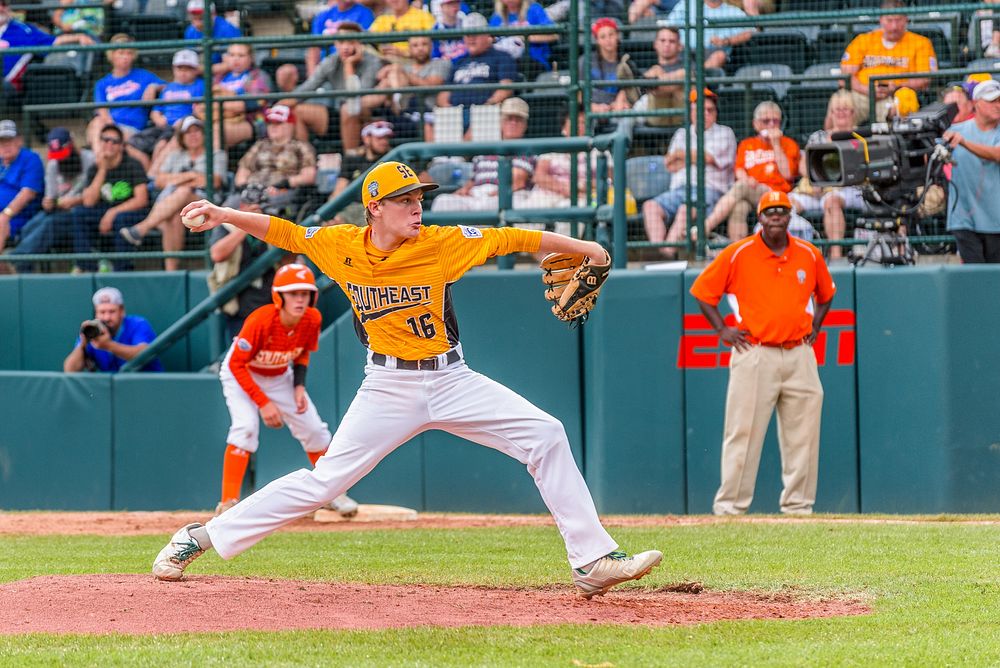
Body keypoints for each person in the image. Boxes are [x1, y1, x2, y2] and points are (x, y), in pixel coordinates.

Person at [153, 160, 663, 598]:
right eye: (403, 200)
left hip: (451, 379)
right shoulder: (341, 245)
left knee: (546, 434)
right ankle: (202, 536)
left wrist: (588, 249)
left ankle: (592, 562)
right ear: (374, 207)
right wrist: (222, 214)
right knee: (325, 481)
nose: (417, 206)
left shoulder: (442, 244)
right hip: (387, 388)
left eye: (419, 197)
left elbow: (516, 237)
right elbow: (284, 232)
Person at [691, 190, 835, 516]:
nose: (776, 216)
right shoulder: (739, 252)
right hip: (755, 352)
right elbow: (702, 291)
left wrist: (816, 326)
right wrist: (721, 330)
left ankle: (799, 507)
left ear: (789, 216)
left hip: (799, 352)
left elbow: (826, 294)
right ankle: (730, 509)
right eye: (770, 211)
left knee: (804, 436)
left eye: (781, 211)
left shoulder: (809, 254)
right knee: (742, 433)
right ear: (760, 216)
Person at [213, 262, 359, 518]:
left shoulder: (312, 318)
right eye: (293, 293)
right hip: (242, 373)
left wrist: (299, 386)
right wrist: (263, 403)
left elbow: (302, 354)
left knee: (314, 429)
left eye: (304, 293)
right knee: (245, 428)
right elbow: (236, 364)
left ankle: (332, 493)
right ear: (279, 295)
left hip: (280, 375)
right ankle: (227, 502)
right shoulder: (260, 320)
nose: (300, 299)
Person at [119, 116, 226, 270]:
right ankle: (172, 271)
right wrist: (190, 176)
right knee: (175, 216)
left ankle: (142, 228)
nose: (193, 135)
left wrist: (177, 180)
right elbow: (158, 180)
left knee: (183, 191)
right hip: (173, 207)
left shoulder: (216, 154)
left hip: (207, 203)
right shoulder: (176, 155)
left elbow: (214, 181)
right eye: (188, 132)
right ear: (182, 137)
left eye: (196, 131)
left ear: (203, 134)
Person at [642, 89, 736, 258]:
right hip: (679, 189)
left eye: (710, 110)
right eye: (701, 110)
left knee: (685, 210)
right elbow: (670, 164)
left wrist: (682, 155)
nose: (706, 114)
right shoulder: (682, 133)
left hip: (709, 190)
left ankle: (666, 255)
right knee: (650, 207)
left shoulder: (725, 132)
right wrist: (694, 157)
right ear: (692, 113)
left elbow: (707, 158)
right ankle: (661, 250)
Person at [701, 101, 800, 242]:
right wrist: (746, 179)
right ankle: (738, 249)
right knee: (738, 207)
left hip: (776, 195)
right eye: (766, 121)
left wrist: (776, 144)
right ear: (756, 124)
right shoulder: (746, 144)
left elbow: (788, 174)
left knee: (741, 187)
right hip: (750, 191)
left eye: (775, 121)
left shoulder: (788, 144)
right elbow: (739, 170)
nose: (771, 125)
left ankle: (705, 227)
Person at [281, 21, 383, 151]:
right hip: (338, 112)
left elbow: (355, 98)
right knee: (298, 111)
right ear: (336, 44)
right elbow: (306, 89)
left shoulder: (372, 61)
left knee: (348, 109)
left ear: (360, 44)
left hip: (366, 114)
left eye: (350, 42)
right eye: (341, 43)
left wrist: (349, 65)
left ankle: (350, 163)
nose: (345, 47)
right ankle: (307, 161)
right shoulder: (331, 61)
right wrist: (280, 104)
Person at [789, 90, 867, 260]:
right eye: (836, 109)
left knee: (831, 200)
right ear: (830, 113)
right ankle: (791, 255)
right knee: (786, 205)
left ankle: (836, 255)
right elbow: (803, 165)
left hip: (848, 189)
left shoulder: (860, 137)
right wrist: (814, 180)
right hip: (815, 190)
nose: (841, 113)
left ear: (854, 112)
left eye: (845, 109)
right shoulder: (818, 136)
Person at [6, 127, 92, 271]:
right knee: (32, 224)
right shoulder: (53, 165)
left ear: (72, 144)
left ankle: (16, 260)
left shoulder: (90, 159)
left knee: (50, 224)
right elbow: (50, 198)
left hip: (81, 214)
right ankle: (22, 267)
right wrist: (48, 202)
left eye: (64, 154)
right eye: (58, 156)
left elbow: (98, 195)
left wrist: (76, 200)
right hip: (60, 211)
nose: (61, 159)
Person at [431, 97, 536, 212]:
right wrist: (465, 189)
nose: (513, 123)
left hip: (507, 195)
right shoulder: (486, 147)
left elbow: (517, 181)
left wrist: (495, 193)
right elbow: (474, 179)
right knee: (443, 201)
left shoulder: (527, 149)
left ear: (525, 125)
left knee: (494, 205)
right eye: (509, 118)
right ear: (501, 121)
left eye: (518, 119)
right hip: (478, 193)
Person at [840, 0, 936, 124]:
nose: (894, 26)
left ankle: (895, 141)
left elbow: (925, 79)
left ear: (906, 19)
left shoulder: (921, 43)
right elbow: (844, 77)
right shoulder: (863, 40)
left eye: (898, 20)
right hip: (862, 95)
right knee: (839, 101)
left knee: (905, 100)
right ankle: (828, 140)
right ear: (881, 20)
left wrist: (897, 86)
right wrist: (867, 89)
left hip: (895, 96)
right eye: (889, 20)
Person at [71, 124, 150, 272]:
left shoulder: (133, 165)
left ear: (121, 146)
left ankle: (122, 269)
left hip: (132, 210)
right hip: (104, 209)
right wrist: (102, 169)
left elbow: (141, 199)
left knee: (121, 219)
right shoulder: (95, 168)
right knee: (79, 213)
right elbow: (88, 202)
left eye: (114, 141)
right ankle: (86, 266)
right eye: (105, 140)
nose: (109, 144)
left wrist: (112, 212)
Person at [86, 34, 164, 170]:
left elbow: (170, 87)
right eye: (121, 52)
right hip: (110, 127)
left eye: (129, 53)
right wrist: (113, 131)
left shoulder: (143, 75)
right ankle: (100, 159)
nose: (125, 57)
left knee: (101, 130)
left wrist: (154, 86)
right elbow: (102, 111)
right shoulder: (102, 83)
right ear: (112, 55)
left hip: (133, 129)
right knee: (97, 122)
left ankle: (100, 162)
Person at [943, 79, 1000, 263]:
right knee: (974, 279)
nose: (997, 105)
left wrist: (964, 143)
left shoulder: (960, 136)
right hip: (963, 220)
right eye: (992, 101)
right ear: (976, 103)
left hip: (995, 221)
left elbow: (996, 154)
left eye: (999, 100)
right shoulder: (954, 131)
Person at [433, 13, 516, 139]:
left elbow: (506, 87)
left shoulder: (502, 56)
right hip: (456, 112)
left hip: (485, 111)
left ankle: (459, 155)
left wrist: (489, 104)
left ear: (487, 35)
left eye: (475, 34)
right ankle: (438, 157)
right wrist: (446, 107)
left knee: (483, 119)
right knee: (432, 120)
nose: (471, 39)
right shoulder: (459, 61)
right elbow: (444, 93)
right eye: (467, 35)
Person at [225, 105, 317, 217]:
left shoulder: (301, 147)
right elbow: (243, 170)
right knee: (226, 209)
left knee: (263, 211)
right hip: (253, 192)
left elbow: (309, 175)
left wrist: (286, 184)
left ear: (290, 125)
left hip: (282, 194)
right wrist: (246, 187)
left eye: (278, 123)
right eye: (270, 123)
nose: (273, 127)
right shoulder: (260, 145)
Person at [0, 0, 94, 108]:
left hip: (8, 84)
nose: (1, 8)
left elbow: (53, 41)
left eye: (4, 5)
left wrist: (78, 37)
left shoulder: (24, 30)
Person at [64, 286, 164, 373]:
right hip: (111, 390)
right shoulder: (92, 330)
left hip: (146, 386)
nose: (107, 317)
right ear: (96, 314)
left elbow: (145, 354)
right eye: (102, 312)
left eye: (111, 312)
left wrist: (108, 345)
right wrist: (82, 345)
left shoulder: (138, 324)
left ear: (122, 311)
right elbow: (70, 370)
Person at [202, 43, 273, 149]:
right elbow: (201, 105)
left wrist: (218, 103)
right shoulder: (219, 78)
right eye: (232, 55)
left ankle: (213, 165)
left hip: (251, 122)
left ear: (251, 58)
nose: (236, 59)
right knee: (186, 131)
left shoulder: (257, 76)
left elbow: (251, 104)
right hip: (217, 119)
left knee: (215, 131)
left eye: (241, 55)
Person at [329, 120, 394, 226]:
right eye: (379, 138)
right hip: (350, 207)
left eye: (386, 138)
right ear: (366, 139)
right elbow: (339, 189)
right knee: (332, 224)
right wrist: (331, 212)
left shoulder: (391, 160)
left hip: (377, 208)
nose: (384, 141)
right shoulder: (352, 160)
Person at [665, 0, 753, 70]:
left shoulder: (733, 11)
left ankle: (694, 77)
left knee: (719, 56)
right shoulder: (686, 5)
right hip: (684, 51)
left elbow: (750, 31)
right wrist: (678, 43)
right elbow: (668, 26)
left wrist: (726, 41)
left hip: (713, 54)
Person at [0, 119, 44, 250]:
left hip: (20, 217)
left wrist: (6, 214)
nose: (6, 145)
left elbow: (28, 193)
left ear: (19, 140)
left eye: (9, 140)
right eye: (2, 142)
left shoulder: (30, 159)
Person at [489, 0, 557, 76]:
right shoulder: (497, 15)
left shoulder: (534, 9)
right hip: (503, 60)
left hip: (533, 61)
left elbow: (554, 35)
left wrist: (525, 37)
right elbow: (490, 38)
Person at [306, 0, 375, 75]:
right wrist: (313, 77)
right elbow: (314, 49)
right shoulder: (322, 16)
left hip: (354, 66)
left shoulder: (365, 13)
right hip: (327, 69)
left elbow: (364, 45)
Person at [636, 26, 685, 129]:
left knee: (685, 74)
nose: (667, 44)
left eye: (672, 41)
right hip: (657, 118)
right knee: (655, 70)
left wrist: (656, 83)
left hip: (682, 117)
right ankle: (654, 84)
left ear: (680, 46)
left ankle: (653, 83)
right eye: (663, 40)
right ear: (655, 44)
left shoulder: (688, 66)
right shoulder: (653, 70)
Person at [583, 17, 633, 114]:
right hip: (592, 110)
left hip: (617, 110)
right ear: (597, 40)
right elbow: (579, 93)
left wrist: (621, 99)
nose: (608, 40)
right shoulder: (586, 61)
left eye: (611, 34)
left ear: (617, 36)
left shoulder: (626, 62)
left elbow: (632, 90)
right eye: (603, 36)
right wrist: (592, 107)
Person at [184, 0, 242, 72]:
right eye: (194, 18)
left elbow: (231, 65)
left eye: (201, 19)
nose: (197, 24)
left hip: (226, 75)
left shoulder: (228, 30)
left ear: (213, 15)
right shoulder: (190, 31)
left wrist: (202, 70)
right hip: (200, 74)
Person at [369, 0, 435, 61]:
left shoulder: (423, 16)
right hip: (385, 62)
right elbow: (367, 40)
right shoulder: (381, 19)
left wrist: (405, 53)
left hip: (413, 62)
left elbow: (434, 47)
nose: (394, 0)